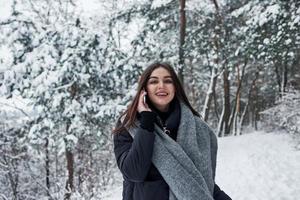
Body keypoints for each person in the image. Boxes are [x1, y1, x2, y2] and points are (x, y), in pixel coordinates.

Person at [113, 62, 232, 200]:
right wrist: (146, 122)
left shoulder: (198, 129)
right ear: (144, 89)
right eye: (153, 81)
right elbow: (134, 173)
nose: (161, 86)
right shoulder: (129, 126)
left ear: (175, 87)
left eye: (168, 81)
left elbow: (203, 184)